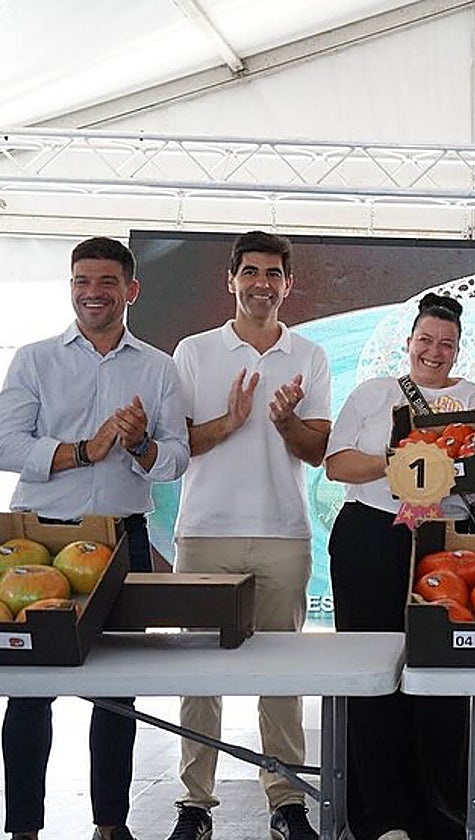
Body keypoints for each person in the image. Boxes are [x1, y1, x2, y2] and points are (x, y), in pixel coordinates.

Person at [0, 237, 190, 840]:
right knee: (29, 694)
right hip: (38, 547)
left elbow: (176, 461)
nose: (93, 292)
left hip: (123, 544)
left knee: (117, 693)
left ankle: (112, 825)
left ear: (130, 290)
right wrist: (85, 450)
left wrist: (138, 445)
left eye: (106, 282)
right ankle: (24, 827)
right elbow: (5, 444)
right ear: (71, 288)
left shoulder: (159, 368)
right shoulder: (34, 359)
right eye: (82, 281)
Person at [165, 231, 331, 840]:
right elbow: (178, 444)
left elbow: (317, 453)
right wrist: (230, 421)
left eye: (273, 274)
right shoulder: (194, 352)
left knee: (280, 676)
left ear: (288, 285)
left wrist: (285, 420)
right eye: (251, 272)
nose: (262, 283)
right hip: (205, 532)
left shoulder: (309, 356)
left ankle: (286, 802)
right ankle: (193, 803)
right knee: (199, 672)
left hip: (284, 534)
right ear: (231, 280)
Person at [326, 293, 475, 840]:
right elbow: (337, 464)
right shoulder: (373, 393)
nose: (434, 352)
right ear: (409, 343)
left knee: (443, 676)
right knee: (372, 669)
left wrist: (455, 465)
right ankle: (378, 814)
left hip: (445, 545)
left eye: (446, 344)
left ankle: (445, 811)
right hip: (371, 538)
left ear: (458, 350)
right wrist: (396, 459)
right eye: (425, 341)